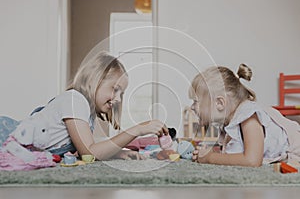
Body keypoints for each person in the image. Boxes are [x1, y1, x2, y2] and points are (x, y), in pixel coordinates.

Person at [1, 51, 168, 163]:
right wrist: (137, 130)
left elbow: (85, 151)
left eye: (121, 94)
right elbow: (90, 153)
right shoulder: (75, 100)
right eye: (115, 89)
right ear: (95, 79)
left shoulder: (86, 111)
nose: (117, 99)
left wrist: (118, 153)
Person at [189, 64, 300, 167]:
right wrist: (205, 152)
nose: (192, 107)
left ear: (220, 103)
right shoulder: (223, 122)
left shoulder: (248, 116)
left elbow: (252, 161)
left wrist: (210, 158)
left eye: (195, 102)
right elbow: (228, 154)